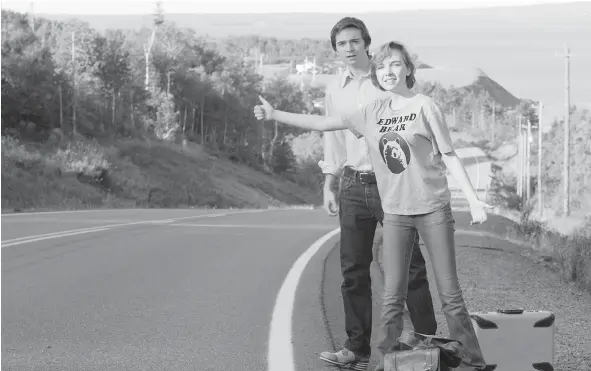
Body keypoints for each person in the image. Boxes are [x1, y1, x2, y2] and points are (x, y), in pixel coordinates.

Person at [253, 40, 492, 371]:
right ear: (377, 75)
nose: (388, 71)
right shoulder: (372, 113)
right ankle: (381, 363)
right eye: (381, 67)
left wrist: (474, 201)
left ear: (408, 68)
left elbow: (449, 156)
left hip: (433, 209)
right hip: (395, 212)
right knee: (392, 297)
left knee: (450, 296)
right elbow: (323, 124)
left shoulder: (425, 107)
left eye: (395, 64)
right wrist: (274, 113)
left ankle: (474, 363)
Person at [315, 17, 437, 371]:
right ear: (336, 49)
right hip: (353, 185)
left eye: (355, 41)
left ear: (366, 43)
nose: (349, 48)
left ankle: (428, 347)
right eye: (342, 43)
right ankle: (357, 349)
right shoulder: (335, 89)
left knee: (411, 268)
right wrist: (329, 183)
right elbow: (333, 140)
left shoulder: (386, 80)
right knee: (353, 269)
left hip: (394, 185)